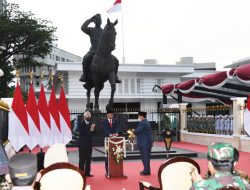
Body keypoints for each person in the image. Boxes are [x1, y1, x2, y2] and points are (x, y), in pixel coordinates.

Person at [79, 13, 121, 84]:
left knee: (116, 61)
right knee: (85, 58)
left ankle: (115, 76)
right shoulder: (91, 30)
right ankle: (85, 75)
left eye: (100, 20)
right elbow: (83, 28)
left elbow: (109, 40)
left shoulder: (104, 31)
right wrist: (90, 19)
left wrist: (111, 47)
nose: (99, 21)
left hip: (104, 53)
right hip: (93, 52)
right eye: (97, 20)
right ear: (94, 21)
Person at [132, 111, 153, 176]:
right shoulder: (146, 122)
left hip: (144, 143)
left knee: (145, 157)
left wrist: (133, 131)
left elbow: (138, 131)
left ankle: (146, 171)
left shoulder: (143, 123)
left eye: (139, 116)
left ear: (142, 116)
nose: (139, 117)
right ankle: (147, 170)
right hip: (147, 143)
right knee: (146, 157)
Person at [77, 111, 95, 177]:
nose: (89, 117)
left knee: (88, 160)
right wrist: (90, 130)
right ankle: (81, 173)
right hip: (82, 144)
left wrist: (93, 130)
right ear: (84, 116)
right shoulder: (80, 124)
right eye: (87, 116)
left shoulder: (91, 123)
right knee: (82, 159)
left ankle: (87, 173)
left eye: (89, 116)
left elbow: (94, 133)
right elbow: (82, 132)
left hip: (89, 144)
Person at [101, 109, 119, 176]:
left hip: (115, 141)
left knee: (115, 155)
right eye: (110, 114)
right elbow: (104, 129)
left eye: (112, 114)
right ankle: (108, 171)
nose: (111, 115)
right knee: (107, 156)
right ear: (107, 115)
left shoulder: (116, 121)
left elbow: (117, 127)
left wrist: (116, 133)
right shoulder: (104, 122)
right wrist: (109, 134)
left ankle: (115, 170)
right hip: (107, 141)